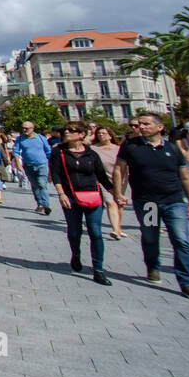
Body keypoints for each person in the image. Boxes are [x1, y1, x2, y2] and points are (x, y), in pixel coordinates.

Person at [114, 112, 189, 299]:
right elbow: (119, 170)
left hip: (174, 201)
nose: (141, 127)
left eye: (146, 124)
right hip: (148, 203)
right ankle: (153, 266)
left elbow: (185, 177)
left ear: (159, 127)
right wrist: (119, 192)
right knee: (151, 236)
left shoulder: (172, 149)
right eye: (139, 124)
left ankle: (187, 282)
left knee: (181, 240)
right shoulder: (131, 147)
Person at [50, 121, 117, 286]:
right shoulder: (59, 152)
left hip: (93, 196)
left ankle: (98, 270)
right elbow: (56, 174)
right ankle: (76, 254)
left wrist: (116, 193)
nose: (66, 132)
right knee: (74, 231)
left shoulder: (91, 154)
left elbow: (101, 175)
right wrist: (61, 194)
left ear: (81, 134)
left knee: (96, 232)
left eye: (71, 130)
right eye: (65, 130)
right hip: (71, 197)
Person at [90, 126, 126, 239]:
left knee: (119, 203)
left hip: (119, 179)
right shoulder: (93, 149)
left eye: (104, 133)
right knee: (110, 202)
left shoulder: (119, 148)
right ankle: (115, 230)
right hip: (102, 179)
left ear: (110, 135)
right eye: (99, 133)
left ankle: (118, 227)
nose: (101, 135)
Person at [15, 120, 54, 215]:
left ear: (32, 129)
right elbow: (16, 152)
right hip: (28, 165)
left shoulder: (41, 138)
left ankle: (46, 205)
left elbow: (48, 152)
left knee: (41, 184)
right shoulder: (20, 139)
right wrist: (18, 164)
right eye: (23, 128)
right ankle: (39, 203)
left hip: (42, 165)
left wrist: (52, 166)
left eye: (26, 128)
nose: (24, 130)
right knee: (35, 185)